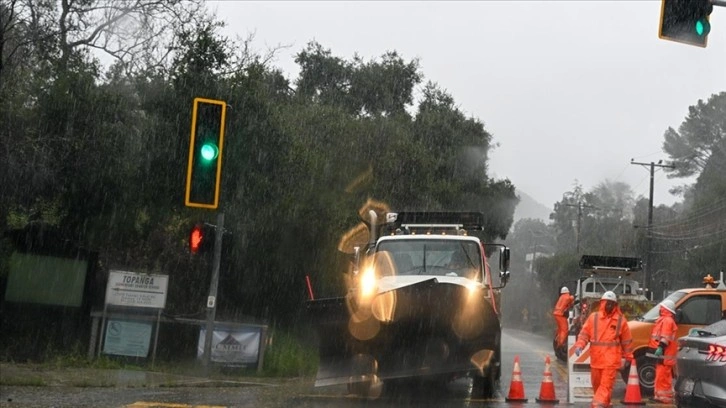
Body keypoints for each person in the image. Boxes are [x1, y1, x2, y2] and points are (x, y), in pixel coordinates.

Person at [573, 291, 634, 408]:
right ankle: (604, 403)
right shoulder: (593, 318)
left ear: (616, 305)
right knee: (597, 386)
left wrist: (629, 357)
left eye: (612, 303)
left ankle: (598, 405)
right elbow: (584, 334)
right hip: (596, 360)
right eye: (607, 303)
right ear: (602, 303)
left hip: (611, 361)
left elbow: (627, 341)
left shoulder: (621, 321)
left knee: (605, 386)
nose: (609, 306)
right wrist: (579, 345)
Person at [648, 299, 678, 404]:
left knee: (663, 377)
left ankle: (664, 397)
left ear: (666, 309)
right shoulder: (664, 320)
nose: (660, 309)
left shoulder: (667, 321)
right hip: (664, 355)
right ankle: (660, 396)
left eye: (662, 307)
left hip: (665, 354)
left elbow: (665, 337)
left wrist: (660, 347)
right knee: (661, 376)